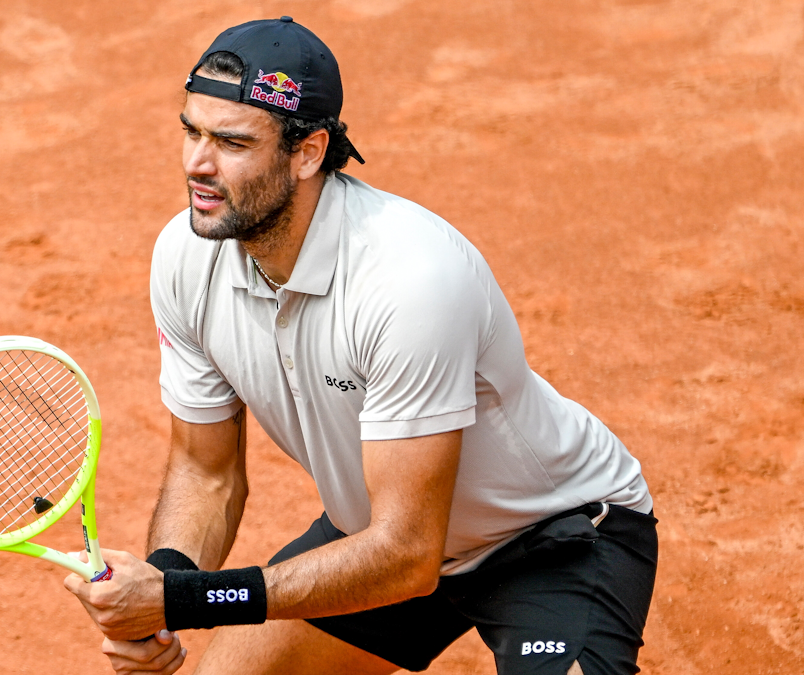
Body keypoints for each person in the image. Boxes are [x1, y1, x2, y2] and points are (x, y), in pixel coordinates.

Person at [63, 16, 657, 675]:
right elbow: (206, 471)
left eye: (232, 142)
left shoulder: (409, 279)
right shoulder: (187, 256)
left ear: (308, 153)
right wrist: (165, 586)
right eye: (192, 131)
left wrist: (187, 598)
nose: (197, 164)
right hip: (374, 536)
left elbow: (406, 554)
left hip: (548, 536)